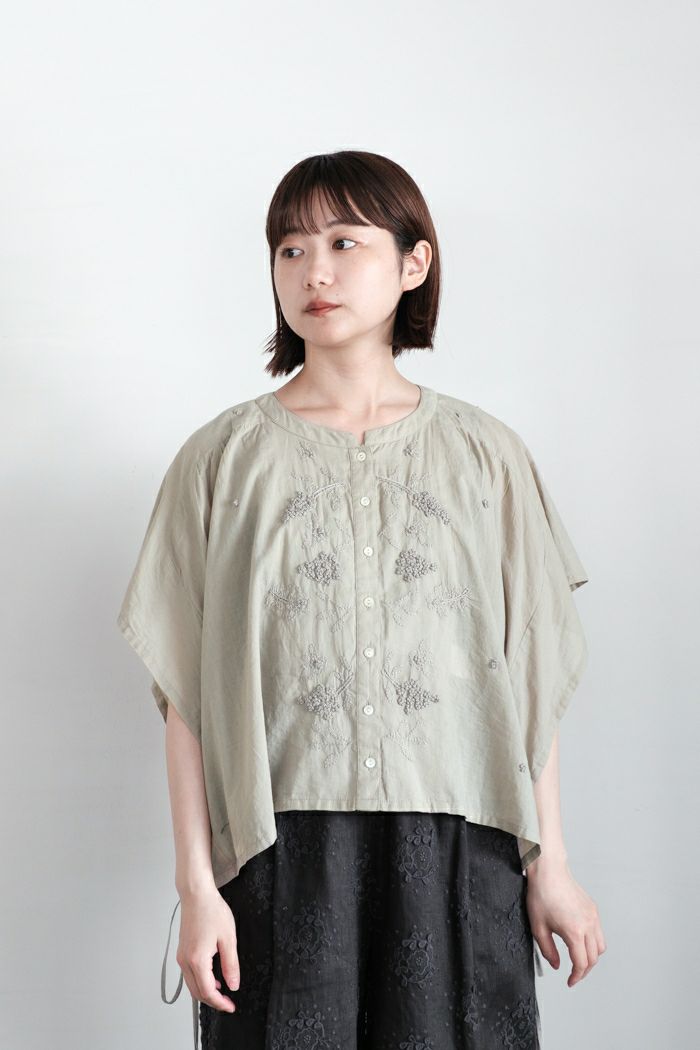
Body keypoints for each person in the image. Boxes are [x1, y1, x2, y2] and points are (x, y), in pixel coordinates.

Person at [117, 150, 606, 1050]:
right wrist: (196, 887)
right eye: (291, 249)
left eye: (345, 242)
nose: (316, 271)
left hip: (461, 844)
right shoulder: (222, 461)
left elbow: (527, 679)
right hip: (279, 852)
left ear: (414, 264)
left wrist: (554, 866)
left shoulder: (486, 456)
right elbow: (187, 696)